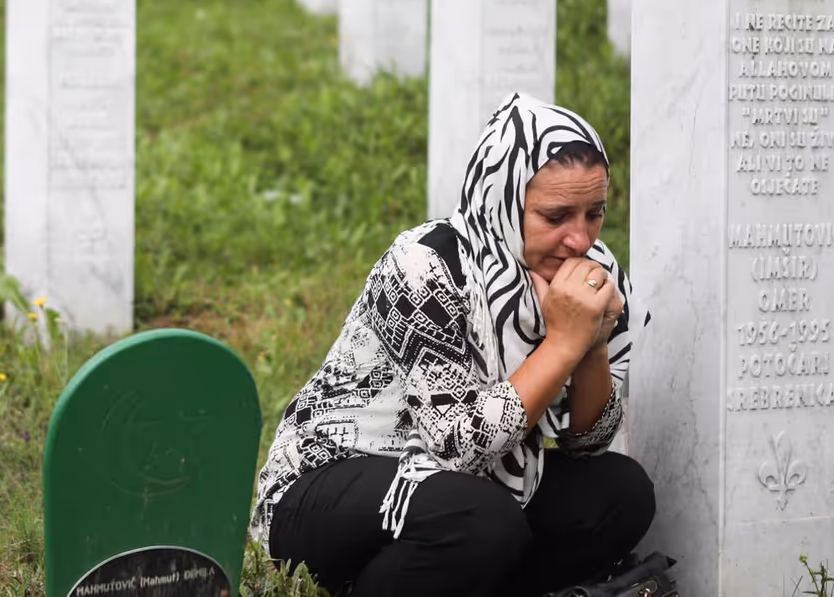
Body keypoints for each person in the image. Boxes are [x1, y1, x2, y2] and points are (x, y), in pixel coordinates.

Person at [250, 94, 655, 597]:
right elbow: (457, 446)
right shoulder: (425, 266)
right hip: (327, 488)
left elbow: (587, 443)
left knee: (622, 493)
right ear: (501, 200)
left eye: (594, 214)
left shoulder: (592, 273)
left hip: (475, 492)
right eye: (556, 217)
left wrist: (592, 344)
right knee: (482, 521)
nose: (580, 239)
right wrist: (562, 344)